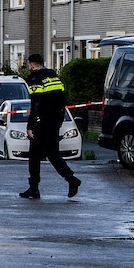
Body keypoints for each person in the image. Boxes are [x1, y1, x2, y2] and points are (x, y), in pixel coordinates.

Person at [20, 53, 81, 199]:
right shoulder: (55, 79)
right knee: (53, 154)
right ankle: (71, 179)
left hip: (41, 123)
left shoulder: (36, 80)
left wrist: (30, 125)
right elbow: (62, 102)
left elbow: (36, 104)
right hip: (54, 122)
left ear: (32, 65)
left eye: (29, 66)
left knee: (34, 156)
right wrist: (59, 121)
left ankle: (34, 188)